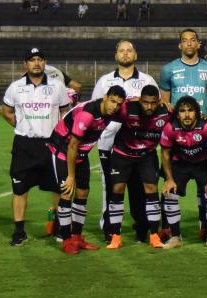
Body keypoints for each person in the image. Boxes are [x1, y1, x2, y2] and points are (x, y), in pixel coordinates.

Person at [93, 40, 159, 244]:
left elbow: (156, 109)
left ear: (135, 55)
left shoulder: (147, 80)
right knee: (111, 188)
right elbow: (96, 109)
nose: (125, 54)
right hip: (109, 143)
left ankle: (142, 228)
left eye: (129, 50)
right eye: (121, 50)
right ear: (116, 56)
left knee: (139, 188)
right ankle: (110, 229)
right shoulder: (104, 81)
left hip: (140, 145)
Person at [3, 47, 70, 246]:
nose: (36, 63)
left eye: (40, 59)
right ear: (26, 64)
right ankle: (19, 231)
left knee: (58, 188)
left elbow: (65, 113)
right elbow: (6, 111)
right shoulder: (15, 87)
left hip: (51, 143)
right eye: (32, 60)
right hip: (25, 145)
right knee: (20, 189)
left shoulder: (58, 86)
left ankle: (59, 226)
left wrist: (60, 135)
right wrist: (20, 125)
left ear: (45, 62)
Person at [51, 86, 126, 254]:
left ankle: (77, 237)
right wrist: (71, 176)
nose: (114, 106)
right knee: (67, 191)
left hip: (81, 153)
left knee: (83, 192)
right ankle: (65, 239)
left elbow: (131, 103)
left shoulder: (113, 109)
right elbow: (72, 146)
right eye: (112, 101)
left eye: (118, 103)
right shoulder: (88, 114)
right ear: (105, 97)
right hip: (63, 150)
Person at [104, 85, 169, 250]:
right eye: (145, 102)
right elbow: (106, 109)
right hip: (122, 154)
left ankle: (154, 235)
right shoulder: (127, 109)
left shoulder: (166, 112)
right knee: (117, 189)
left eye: (153, 103)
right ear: (140, 100)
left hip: (147, 156)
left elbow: (185, 117)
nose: (148, 106)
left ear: (158, 102)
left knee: (151, 188)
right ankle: (115, 236)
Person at [159, 96, 207, 249]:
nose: (187, 114)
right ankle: (175, 237)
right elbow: (165, 154)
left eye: (190, 110)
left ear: (197, 113)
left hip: (203, 164)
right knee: (170, 193)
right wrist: (169, 178)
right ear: (177, 114)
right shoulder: (170, 128)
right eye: (183, 111)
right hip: (181, 164)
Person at [159, 29, 207, 116]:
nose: (189, 43)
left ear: (198, 44)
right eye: (185, 41)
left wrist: (201, 118)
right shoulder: (168, 69)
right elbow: (166, 103)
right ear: (180, 45)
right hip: (176, 123)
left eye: (193, 40)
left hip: (201, 123)